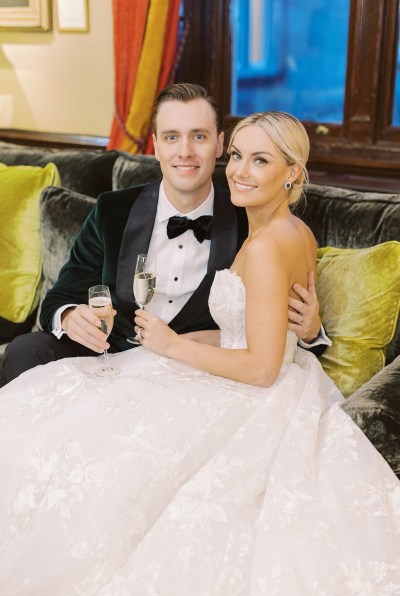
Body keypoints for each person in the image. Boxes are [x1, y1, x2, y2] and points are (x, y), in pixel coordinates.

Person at [0, 110, 399, 596]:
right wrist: (83, 319)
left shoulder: (259, 234)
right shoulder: (277, 228)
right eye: (237, 158)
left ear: (291, 171)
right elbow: (258, 325)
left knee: (97, 457)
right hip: (192, 358)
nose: (239, 171)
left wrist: (174, 345)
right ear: (157, 144)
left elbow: (261, 362)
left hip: (245, 385)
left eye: (259, 160)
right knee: (48, 403)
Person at [3, 83, 326, 384]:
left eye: (198, 136)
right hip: (113, 356)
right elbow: (59, 297)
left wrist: (313, 332)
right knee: (25, 349)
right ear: (155, 146)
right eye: (172, 137)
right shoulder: (112, 210)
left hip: (196, 372)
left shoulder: (252, 216)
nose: (184, 151)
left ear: (219, 144)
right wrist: (71, 316)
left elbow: (271, 340)